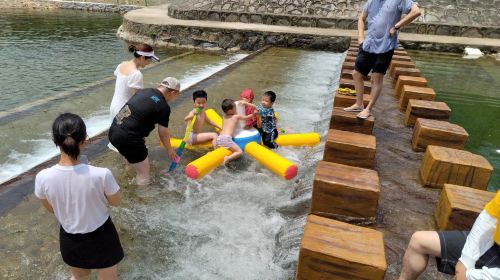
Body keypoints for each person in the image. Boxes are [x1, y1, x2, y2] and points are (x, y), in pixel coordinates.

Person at [34, 113, 123, 280]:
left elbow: (51, 209)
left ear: (55, 142)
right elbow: (116, 201)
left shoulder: (43, 177)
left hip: (70, 240)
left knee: (79, 277)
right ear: (85, 140)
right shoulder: (101, 174)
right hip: (102, 237)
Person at [343, 0, 421, 119]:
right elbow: (361, 18)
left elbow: (416, 12)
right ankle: (359, 104)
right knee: (356, 74)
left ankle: (368, 109)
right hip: (368, 43)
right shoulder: (371, 1)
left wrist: (396, 26)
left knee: (376, 78)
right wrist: (360, 36)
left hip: (386, 45)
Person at [399, 190, 500, 280]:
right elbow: (490, 217)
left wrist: (470, 276)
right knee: (418, 241)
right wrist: (466, 261)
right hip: (493, 243)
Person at [108, 77, 181, 186]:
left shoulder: (144, 91)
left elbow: (136, 113)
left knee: (130, 159)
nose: (176, 97)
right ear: (172, 92)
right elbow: (163, 133)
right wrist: (170, 150)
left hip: (114, 131)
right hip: (129, 138)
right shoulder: (163, 107)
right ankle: (142, 198)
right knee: (144, 173)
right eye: (177, 95)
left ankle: (129, 181)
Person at [108, 43, 160, 151]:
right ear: (142, 58)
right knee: (131, 144)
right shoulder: (136, 74)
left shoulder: (122, 64)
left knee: (123, 142)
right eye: (149, 60)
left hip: (114, 106)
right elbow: (139, 99)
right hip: (125, 111)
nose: (149, 63)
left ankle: (128, 165)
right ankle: (131, 166)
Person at [216, 99, 256, 163]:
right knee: (239, 152)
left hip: (219, 138)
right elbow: (247, 117)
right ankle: (228, 158)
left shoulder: (224, 116)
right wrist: (254, 114)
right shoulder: (236, 117)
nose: (236, 108)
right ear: (230, 110)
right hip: (226, 139)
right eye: (235, 107)